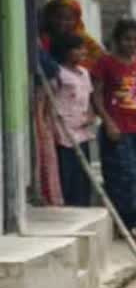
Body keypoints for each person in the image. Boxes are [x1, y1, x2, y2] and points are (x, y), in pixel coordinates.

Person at [92, 19, 136, 247]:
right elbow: (96, 96)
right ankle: (123, 225)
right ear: (117, 39)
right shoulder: (105, 63)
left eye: (135, 40)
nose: (131, 44)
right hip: (118, 130)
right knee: (123, 177)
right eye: (126, 39)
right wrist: (108, 122)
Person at [49, 34, 96, 207]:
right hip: (63, 131)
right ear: (65, 51)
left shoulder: (84, 73)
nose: (83, 51)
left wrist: (91, 115)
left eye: (83, 48)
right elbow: (51, 98)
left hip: (82, 130)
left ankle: (81, 204)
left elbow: (89, 98)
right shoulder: (59, 73)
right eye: (77, 48)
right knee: (66, 172)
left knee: (82, 173)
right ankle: (66, 204)